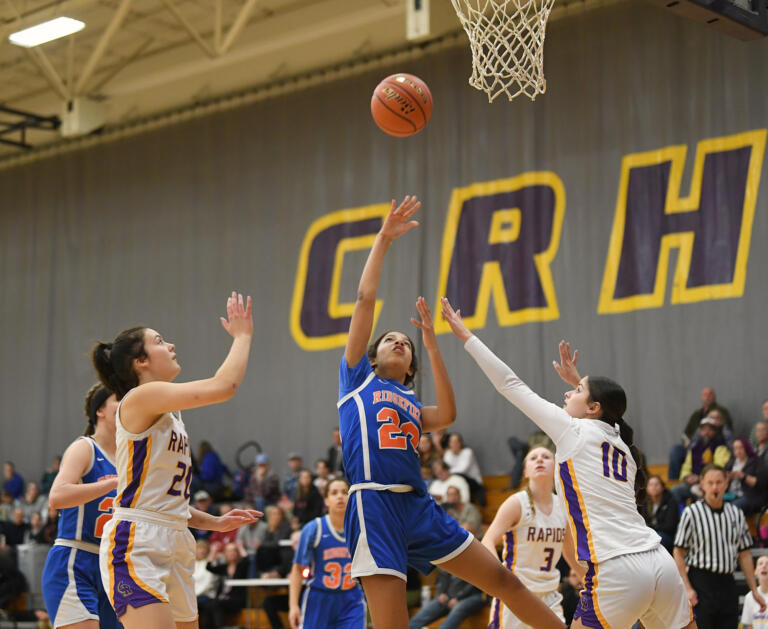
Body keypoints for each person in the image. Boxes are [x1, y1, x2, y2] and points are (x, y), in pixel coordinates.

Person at [338, 196, 564, 629]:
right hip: (374, 503)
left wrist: (433, 342)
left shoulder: (409, 401)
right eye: (390, 340)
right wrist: (383, 239)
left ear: (410, 368)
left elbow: (448, 414)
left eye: (405, 343)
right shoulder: (357, 380)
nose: (398, 342)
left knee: (503, 580)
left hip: (419, 505)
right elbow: (365, 299)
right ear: (371, 356)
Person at [440, 302, 695, 629]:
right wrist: (581, 383)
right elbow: (608, 416)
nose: (566, 392)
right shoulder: (624, 446)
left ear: (593, 407)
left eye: (575, 390)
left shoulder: (572, 430)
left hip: (616, 567)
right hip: (659, 561)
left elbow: (510, 384)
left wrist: (466, 336)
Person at [92, 292, 261, 629]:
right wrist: (243, 336)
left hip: (176, 536)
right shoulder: (141, 397)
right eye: (159, 341)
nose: (170, 345)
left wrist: (213, 523)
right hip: (137, 542)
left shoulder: (172, 413)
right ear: (141, 361)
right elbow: (224, 386)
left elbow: (163, 499)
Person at [40, 384, 120, 629]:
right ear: (100, 411)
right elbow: (57, 496)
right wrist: (115, 482)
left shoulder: (130, 457)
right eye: (119, 400)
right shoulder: (84, 448)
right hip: (75, 560)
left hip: (112, 569)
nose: (127, 406)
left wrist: (212, 522)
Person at [484, 447, 575, 628]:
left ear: (556, 467)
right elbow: (487, 541)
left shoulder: (563, 507)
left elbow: (570, 553)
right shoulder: (517, 503)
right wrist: (501, 579)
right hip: (517, 594)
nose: (539, 460)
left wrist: (593, 585)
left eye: (546, 457)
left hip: (549, 596)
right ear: (525, 471)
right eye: (533, 458)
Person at [673, 465, 764, 629]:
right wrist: (687, 588)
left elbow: (744, 554)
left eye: (719, 482)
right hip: (700, 582)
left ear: (726, 484)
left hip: (727, 583)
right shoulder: (691, 513)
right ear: (702, 484)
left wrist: (754, 590)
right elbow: (678, 552)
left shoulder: (736, 513)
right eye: (710, 482)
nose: (715, 487)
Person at [288, 478, 366, 629]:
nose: (340, 497)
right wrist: (293, 605)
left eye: (345, 492)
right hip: (319, 598)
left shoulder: (362, 529)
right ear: (326, 500)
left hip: (351, 599)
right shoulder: (313, 529)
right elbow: (297, 569)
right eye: (334, 493)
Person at [669, 387, 732, 480]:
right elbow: (686, 434)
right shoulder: (696, 415)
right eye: (705, 395)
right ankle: (673, 481)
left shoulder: (723, 422)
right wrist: (686, 477)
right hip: (695, 447)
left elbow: (730, 442)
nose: (707, 397)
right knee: (676, 451)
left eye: (710, 394)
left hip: (716, 450)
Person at [671, 416, 732, 506]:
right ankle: (682, 515)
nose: (706, 432)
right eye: (703, 429)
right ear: (700, 432)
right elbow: (686, 467)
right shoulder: (694, 449)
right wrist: (687, 477)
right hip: (693, 485)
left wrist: (700, 478)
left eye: (709, 429)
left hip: (711, 485)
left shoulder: (720, 447)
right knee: (675, 490)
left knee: (706, 493)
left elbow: (719, 468)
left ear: (714, 432)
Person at [406, 563, 486, 629]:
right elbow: (443, 576)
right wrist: (441, 593)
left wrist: (458, 598)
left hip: (475, 595)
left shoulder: (476, 559)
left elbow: (475, 583)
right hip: (450, 595)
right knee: (429, 609)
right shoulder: (455, 556)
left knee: (459, 607)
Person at [638, 475, 679, 554]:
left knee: (656, 539)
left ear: (662, 487)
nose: (654, 487)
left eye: (656, 484)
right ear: (647, 488)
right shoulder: (644, 503)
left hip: (667, 536)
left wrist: (651, 527)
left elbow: (670, 527)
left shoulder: (671, 501)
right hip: (650, 533)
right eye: (651, 485)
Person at [443, 433, 485, 505]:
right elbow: (445, 470)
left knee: (458, 476)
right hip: (456, 481)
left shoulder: (468, 452)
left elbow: (462, 470)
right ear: (449, 444)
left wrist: (448, 472)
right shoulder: (448, 454)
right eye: (452, 442)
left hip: (473, 482)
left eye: (456, 441)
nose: (454, 444)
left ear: (460, 443)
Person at [742, 555, 768, 629]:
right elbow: (749, 626)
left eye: (767, 564)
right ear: (755, 571)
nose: (764, 566)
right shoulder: (749, 597)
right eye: (760, 564)